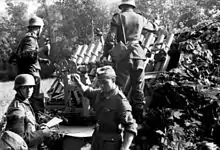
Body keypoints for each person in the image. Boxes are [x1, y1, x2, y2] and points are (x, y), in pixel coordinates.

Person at [100, 0, 158, 123]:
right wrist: (155, 22)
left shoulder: (118, 17)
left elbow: (110, 39)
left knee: (120, 88)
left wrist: (105, 54)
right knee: (138, 88)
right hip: (138, 56)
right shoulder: (140, 18)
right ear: (133, 6)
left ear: (122, 6)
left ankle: (121, 119)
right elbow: (154, 28)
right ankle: (138, 119)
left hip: (124, 56)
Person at [71, 65, 137, 150]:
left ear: (113, 80)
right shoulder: (100, 94)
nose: (102, 85)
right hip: (97, 139)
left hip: (110, 143)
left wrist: (124, 147)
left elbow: (131, 126)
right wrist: (78, 82)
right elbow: (87, 92)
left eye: (105, 82)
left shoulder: (120, 101)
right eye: (99, 82)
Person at [5, 74, 53, 150]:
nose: (29, 90)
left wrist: (37, 126)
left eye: (31, 87)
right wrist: (42, 133)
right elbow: (20, 140)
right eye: (24, 88)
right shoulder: (17, 110)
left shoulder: (24, 102)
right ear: (18, 89)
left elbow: (27, 123)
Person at [16, 15, 51, 97]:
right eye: (41, 28)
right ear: (38, 28)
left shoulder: (30, 38)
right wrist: (43, 49)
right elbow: (26, 53)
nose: (41, 31)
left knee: (30, 98)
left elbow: (29, 57)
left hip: (29, 72)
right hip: (30, 73)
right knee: (34, 98)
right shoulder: (30, 39)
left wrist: (42, 60)